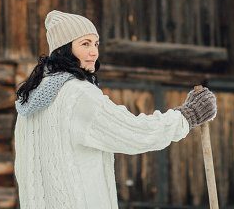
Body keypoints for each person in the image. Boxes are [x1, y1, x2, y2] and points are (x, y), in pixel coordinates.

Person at [14, 10, 217, 209]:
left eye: (96, 44)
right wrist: (187, 116)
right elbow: (134, 133)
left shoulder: (29, 102)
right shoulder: (77, 95)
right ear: (64, 49)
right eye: (85, 44)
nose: (94, 52)